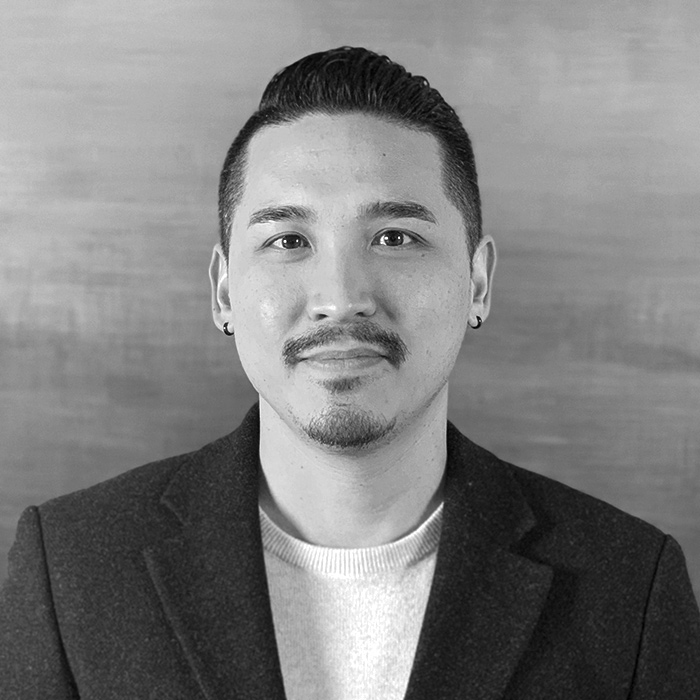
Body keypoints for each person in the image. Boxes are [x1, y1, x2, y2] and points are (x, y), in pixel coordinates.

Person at [1, 46, 699, 700]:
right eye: (288, 240)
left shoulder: (629, 587)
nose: (341, 296)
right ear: (224, 291)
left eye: (396, 237)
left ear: (479, 280)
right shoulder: (70, 569)